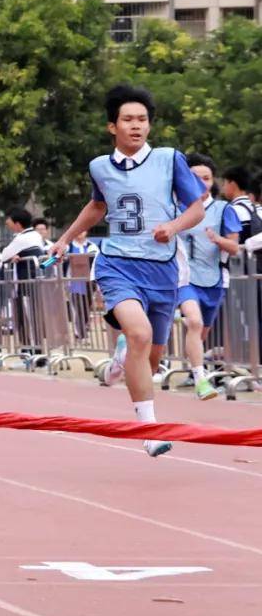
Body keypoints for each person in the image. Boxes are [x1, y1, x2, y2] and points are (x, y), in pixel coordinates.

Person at [49, 84, 206, 458]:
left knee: (151, 357)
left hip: (162, 271)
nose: (136, 126)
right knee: (139, 334)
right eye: (128, 120)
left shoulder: (170, 159)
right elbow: (97, 206)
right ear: (112, 126)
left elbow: (196, 208)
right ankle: (149, 431)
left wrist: (174, 227)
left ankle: (121, 362)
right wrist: (64, 239)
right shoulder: (99, 167)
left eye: (143, 120)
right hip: (117, 263)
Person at [177, 154, 241, 399]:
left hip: (213, 281)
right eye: (195, 178)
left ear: (213, 181)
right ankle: (201, 380)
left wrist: (218, 239)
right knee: (194, 323)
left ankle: (193, 364)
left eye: (207, 178)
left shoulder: (224, 210)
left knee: (200, 333)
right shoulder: (176, 209)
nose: (202, 183)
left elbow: (234, 248)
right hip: (184, 280)